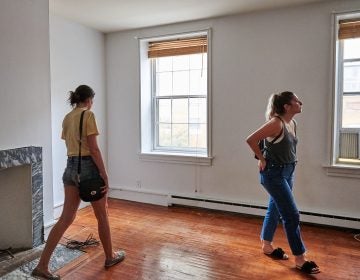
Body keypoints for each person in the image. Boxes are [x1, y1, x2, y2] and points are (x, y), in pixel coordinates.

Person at [32, 85, 125, 280]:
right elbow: (94, 149)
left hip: (70, 169)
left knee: (66, 218)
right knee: (102, 215)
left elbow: (69, 143)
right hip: (88, 169)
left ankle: (42, 265)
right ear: (89, 99)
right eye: (92, 100)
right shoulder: (88, 116)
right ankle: (110, 256)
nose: (92, 103)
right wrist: (104, 174)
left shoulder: (67, 118)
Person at [246, 91, 320, 274]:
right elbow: (252, 139)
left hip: (288, 172)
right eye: (296, 100)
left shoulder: (292, 123)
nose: (300, 102)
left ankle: (267, 245)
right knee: (292, 215)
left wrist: (265, 155)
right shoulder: (276, 123)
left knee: (276, 208)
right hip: (274, 174)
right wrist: (262, 159)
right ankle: (300, 259)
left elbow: (270, 143)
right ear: (287, 106)